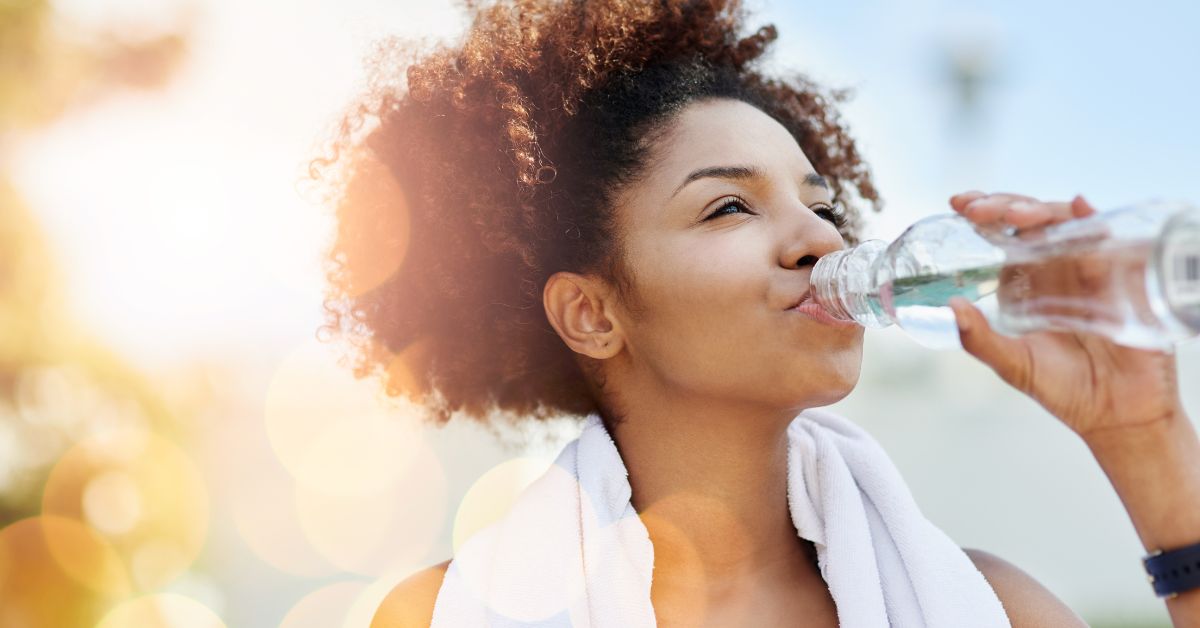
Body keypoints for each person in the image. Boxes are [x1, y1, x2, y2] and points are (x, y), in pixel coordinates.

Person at [312, 1, 1200, 625]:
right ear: (591, 313)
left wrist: (1145, 435)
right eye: (729, 207)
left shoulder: (994, 610)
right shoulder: (447, 615)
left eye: (822, 205)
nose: (817, 239)